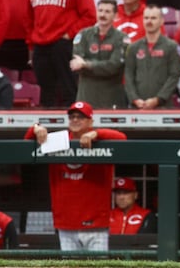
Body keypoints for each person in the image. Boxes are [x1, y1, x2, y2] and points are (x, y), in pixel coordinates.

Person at [26, 101, 127, 251]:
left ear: (90, 121)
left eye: (81, 117)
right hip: (67, 224)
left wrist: (97, 133)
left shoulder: (101, 141)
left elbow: (122, 138)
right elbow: (26, 145)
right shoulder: (58, 140)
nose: (75, 120)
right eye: (72, 117)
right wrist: (34, 129)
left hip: (96, 225)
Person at [29, 0, 96, 107]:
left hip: (62, 43)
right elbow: (31, 15)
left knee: (68, 88)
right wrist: (31, 40)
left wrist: (69, 34)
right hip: (40, 44)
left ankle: (71, 127)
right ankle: (46, 129)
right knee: (45, 91)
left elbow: (89, 15)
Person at [71, 0, 128, 109]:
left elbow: (113, 67)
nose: (103, 15)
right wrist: (99, 67)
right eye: (100, 10)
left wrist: (87, 65)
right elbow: (77, 65)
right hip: (86, 98)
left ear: (116, 16)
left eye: (107, 12)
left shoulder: (122, 38)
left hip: (111, 99)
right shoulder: (83, 35)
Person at [124, 6, 180, 109]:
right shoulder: (134, 47)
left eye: (153, 18)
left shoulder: (171, 47)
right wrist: (134, 98)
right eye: (146, 18)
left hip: (163, 106)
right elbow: (128, 75)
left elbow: (175, 75)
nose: (149, 21)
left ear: (161, 21)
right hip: (138, 107)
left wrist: (158, 99)